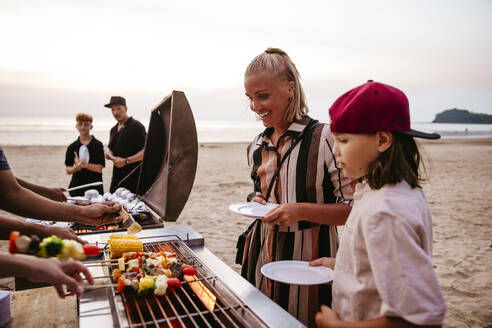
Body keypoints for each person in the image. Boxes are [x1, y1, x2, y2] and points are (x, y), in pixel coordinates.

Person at [311, 81, 446, 327]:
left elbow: (417, 320)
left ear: (382, 140)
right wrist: (343, 266)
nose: (336, 151)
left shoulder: (385, 211)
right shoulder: (387, 192)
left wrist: (337, 327)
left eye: (343, 140)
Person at [240, 48, 353, 327]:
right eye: (250, 98)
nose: (255, 106)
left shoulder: (324, 137)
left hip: (311, 265)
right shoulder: (256, 144)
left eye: (263, 96)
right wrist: (257, 201)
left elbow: (353, 210)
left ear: (290, 88)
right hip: (261, 256)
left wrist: (301, 211)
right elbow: (261, 193)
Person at [0, 145, 121, 229]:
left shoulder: (97, 145)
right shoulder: (73, 146)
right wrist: (42, 230)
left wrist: (46, 192)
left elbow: (8, 186)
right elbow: (10, 194)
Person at [104, 96, 146, 193]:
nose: (116, 112)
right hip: (116, 180)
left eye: (118, 108)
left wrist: (126, 161)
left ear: (125, 108)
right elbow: (112, 150)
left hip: (134, 180)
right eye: (113, 109)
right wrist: (109, 155)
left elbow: (146, 152)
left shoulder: (137, 126)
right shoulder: (113, 130)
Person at [65, 113, 105, 196]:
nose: (83, 127)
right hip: (77, 188)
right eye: (80, 124)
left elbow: (99, 169)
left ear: (91, 126)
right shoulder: (72, 147)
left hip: (95, 188)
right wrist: (76, 168)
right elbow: (68, 170)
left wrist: (85, 165)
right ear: (77, 126)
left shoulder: (98, 145)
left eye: (86, 124)